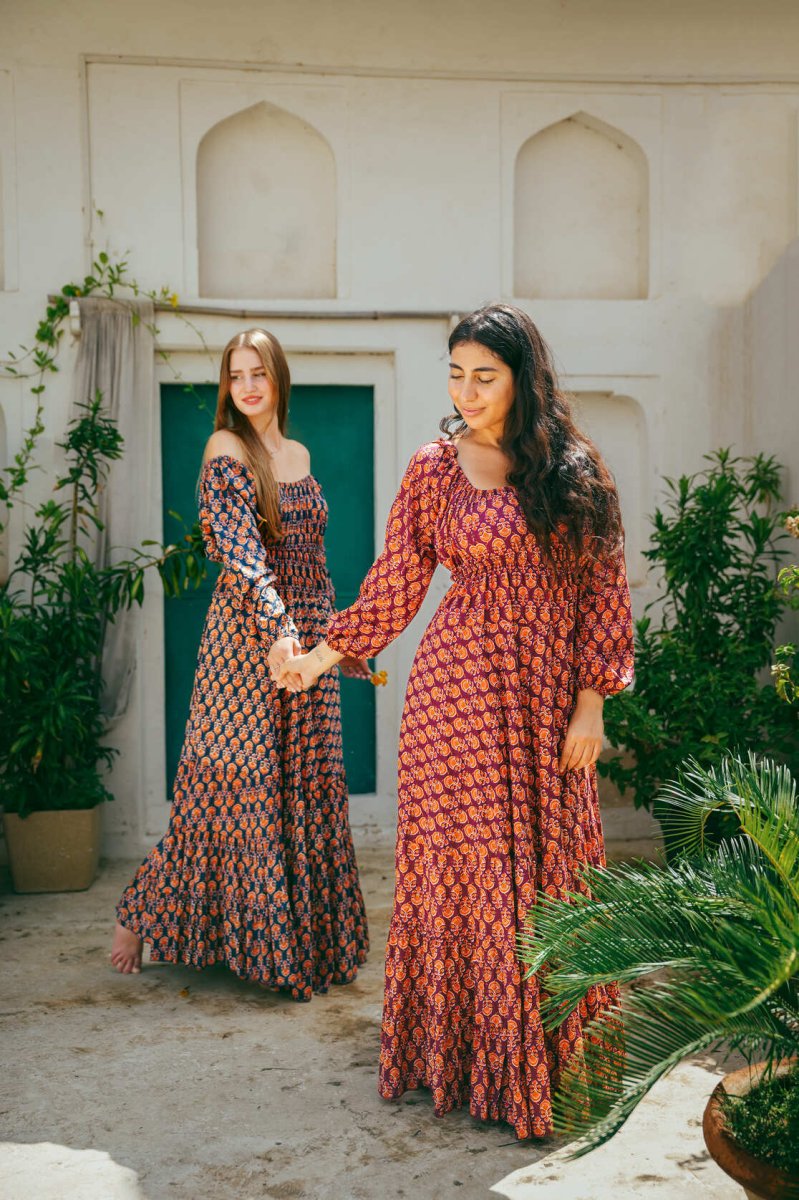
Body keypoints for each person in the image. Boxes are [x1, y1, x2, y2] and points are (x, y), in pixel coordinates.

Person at [274, 303, 634, 1135]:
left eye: (484, 377)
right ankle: (471, 1062)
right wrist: (320, 657)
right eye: (456, 375)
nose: (466, 392)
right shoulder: (433, 470)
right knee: (462, 872)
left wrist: (591, 702)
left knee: (551, 867)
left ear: (522, 379)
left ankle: (550, 1060)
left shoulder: (574, 469)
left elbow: (603, 589)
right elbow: (396, 583)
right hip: (455, 696)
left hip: (546, 700)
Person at [111, 329, 369, 1001]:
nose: (248, 386)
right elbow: (240, 551)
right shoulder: (226, 449)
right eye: (236, 375)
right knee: (227, 789)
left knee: (306, 782)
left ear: (279, 377)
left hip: (306, 641)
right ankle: (139, 915)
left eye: (259, 372)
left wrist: (336, 642)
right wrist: (278, 631)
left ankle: (303, 942)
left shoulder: (300, 455)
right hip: (245, 641)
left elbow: (312, 561)